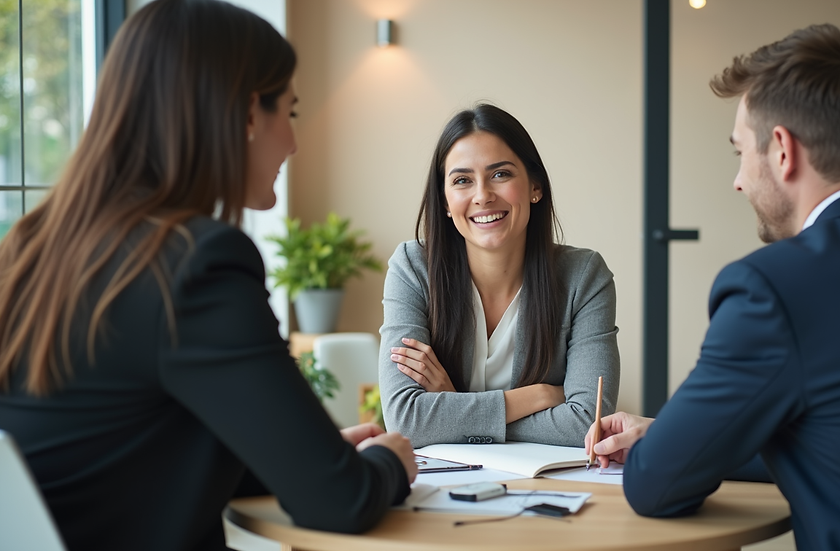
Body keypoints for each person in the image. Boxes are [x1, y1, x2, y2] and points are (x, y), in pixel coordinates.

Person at [0, 1, 416, 550]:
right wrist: (391, 458)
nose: (293, 143)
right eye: (289, 112)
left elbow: (122, 447)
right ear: (247, 114)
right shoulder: (195, 264)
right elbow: (339, 502)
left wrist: (302, 454)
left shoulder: (33, 246)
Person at [586, 24, 840, 551]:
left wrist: (672, 448)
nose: (739, 180)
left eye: (739, 153)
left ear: (782, 150)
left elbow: (656, 485)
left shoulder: (772, 286)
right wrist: (670, 433)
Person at [379, 104, 620, 448]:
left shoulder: (584, 276)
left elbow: (586, 421)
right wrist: (536, 397)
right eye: (462, 180)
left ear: (535, 186)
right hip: (443, 486)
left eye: (500, 174)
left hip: (545, 486)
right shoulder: (413, 267)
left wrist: (453, 405)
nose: (482, 196)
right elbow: (406, 420)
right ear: (445, 201)